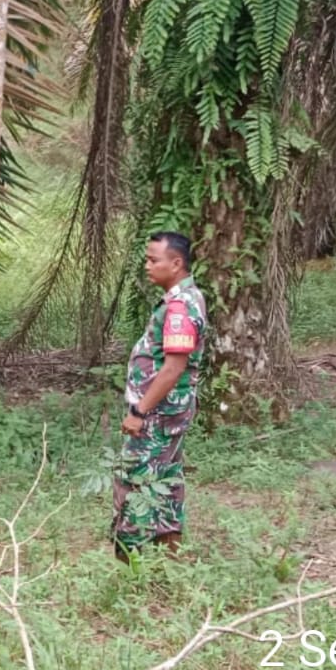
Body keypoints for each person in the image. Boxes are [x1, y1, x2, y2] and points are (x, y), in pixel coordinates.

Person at [113, 231, 209, 560]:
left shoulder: (180, 307)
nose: (147, 266)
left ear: (176, 263)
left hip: (157, 414)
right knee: (167, 479)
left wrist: (139, 412)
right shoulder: (185, 299)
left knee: (134, 480)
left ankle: (129, 565)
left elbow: (173, 368)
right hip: (169, 412)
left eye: (154, 260)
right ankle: (170, 560)